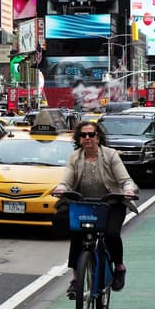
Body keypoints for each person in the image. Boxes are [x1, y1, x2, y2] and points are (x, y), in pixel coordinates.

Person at [52, 122, 137, 298]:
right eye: (83, 135)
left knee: (111, 234)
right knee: (76, 234)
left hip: (112, 203)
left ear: (98, 136)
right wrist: (61, 188)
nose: (87, 138)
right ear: (79, 138)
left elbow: (125, 179)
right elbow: (66, 180)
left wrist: (128, 190)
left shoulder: (111, 155)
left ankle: (119, 267)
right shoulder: (74, 157)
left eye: (91, 135)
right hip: (85, 204)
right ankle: (76, 279)